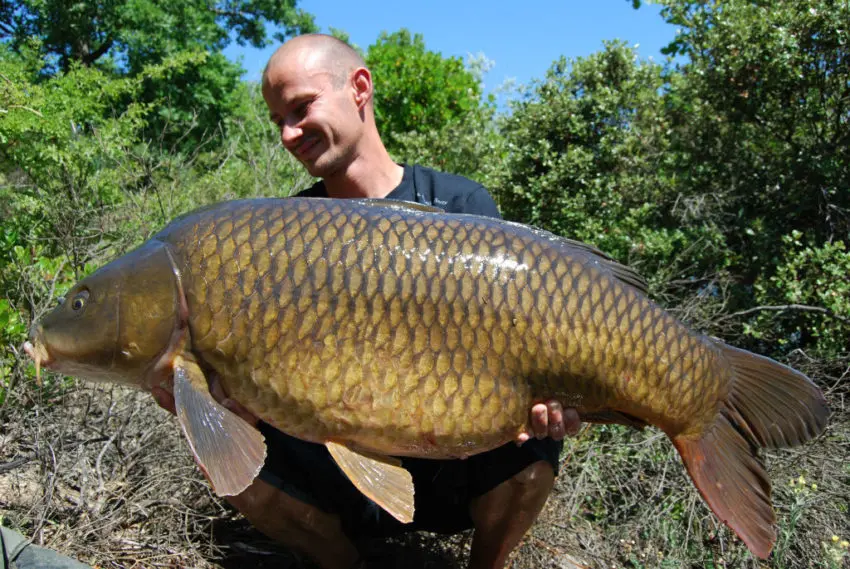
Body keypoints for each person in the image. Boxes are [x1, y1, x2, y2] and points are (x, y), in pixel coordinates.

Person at [153, 33, 583, 569]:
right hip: (335, 470)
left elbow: (508, 346)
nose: (288, 133)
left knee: (536, 447)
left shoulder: (460, 204)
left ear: (359, 88)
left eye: (301, 108)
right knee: (220, 451)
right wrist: (226, 404)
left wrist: (550, 400)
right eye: (276, 120)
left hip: (450, 460)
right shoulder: (284, 232)